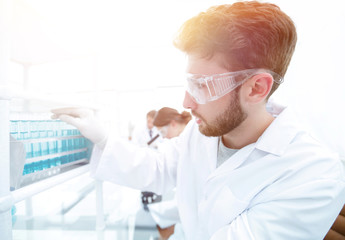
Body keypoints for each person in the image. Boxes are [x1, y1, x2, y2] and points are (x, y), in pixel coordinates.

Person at [51, 1, 345, 239]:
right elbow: (158, 167)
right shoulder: (202, 133)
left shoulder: (314, 174)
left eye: (203, 85)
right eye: (190, 84)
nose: (186, 103)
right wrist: (103, 137)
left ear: (256, 88)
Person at [148, 107, 192, 240]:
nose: (165, 136)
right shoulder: (184, 139)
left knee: (159, 219)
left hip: (193, 209)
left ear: (173, 123)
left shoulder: (191, 138)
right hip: (186, 205)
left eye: (163, 131)